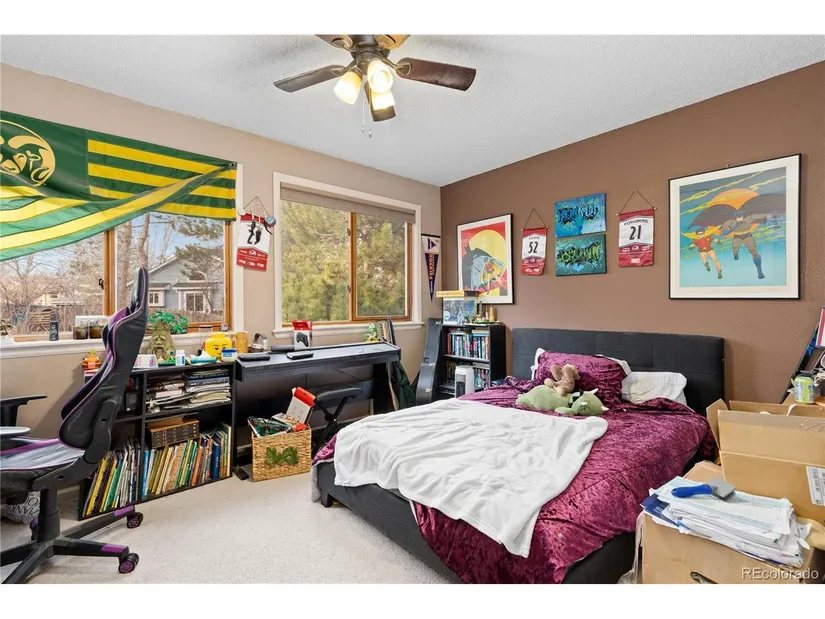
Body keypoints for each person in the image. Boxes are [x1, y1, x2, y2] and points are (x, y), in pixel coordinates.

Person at [720, 214, 767, 279]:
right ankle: (735, 255)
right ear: (735, 218)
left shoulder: (748, 220)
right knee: (735, 248)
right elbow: (726, 232)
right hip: (737, 236)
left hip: (747, 235)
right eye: (737, 217)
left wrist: (764, 217)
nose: (739, 218)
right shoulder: (733, 223)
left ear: (742, 217)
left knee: (753, 251)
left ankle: (760, 272)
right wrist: (731, 229)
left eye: (740, 217)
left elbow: (755, 218)